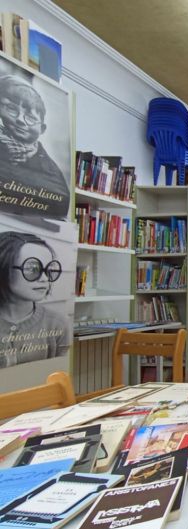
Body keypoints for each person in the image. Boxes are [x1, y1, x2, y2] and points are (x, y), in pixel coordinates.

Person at [0, 75, 69, 219]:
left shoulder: (53, 174)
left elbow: (60, 208)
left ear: (42, 129)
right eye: (12, 109)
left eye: (31, 118)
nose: (20, 120)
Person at [0, 231, 69, 368]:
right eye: (32, 269)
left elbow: (59, 375)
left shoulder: (57, 323)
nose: (44, 279)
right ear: (4, 267)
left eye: (49, 270)